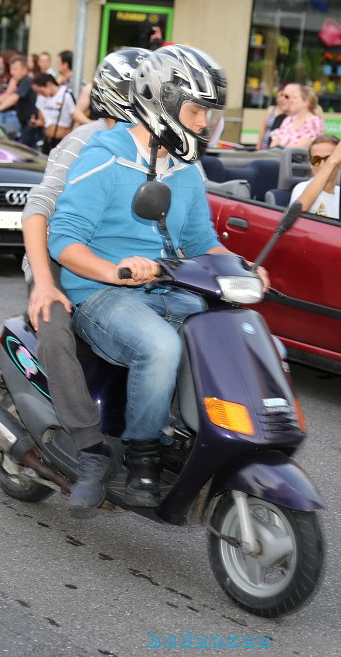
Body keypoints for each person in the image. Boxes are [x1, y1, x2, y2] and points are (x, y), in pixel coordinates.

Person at [48, 45, 266, 507]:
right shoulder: (106, 155)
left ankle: (192, 433)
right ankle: (142, 456)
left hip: (168, 288)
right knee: (161, 346)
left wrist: (242, 269)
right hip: (102, 294)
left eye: (208, 113)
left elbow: (201, 240)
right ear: (160, 101)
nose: (204, 123)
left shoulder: (185, 169)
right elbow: (63, 239)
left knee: (227, 338)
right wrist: (114, 269)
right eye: (196, 110)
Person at [20, 48, 150, 509]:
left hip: (123, 262)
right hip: (60, 259)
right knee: (55, 329)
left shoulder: (161, 145)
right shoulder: (85, 142)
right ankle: (90, 446)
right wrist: (44, 282)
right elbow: (39, 207)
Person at [0, 55, 38, 148]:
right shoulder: (20, 82)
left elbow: (15, 97)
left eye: (15, 69)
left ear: (24, 69)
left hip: (31, 126)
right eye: (11, 69)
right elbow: (10, 98)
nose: (12, 72)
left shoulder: (27, 81)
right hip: (24, 125)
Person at [29, 72, 75, 152]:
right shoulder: (42, 98)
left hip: (63, 141)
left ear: (49, 84)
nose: (40, 94)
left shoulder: (65, 95)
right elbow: (43, 120)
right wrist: (37, 122)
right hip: (47, 140)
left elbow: (75, 116)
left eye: (41, 91)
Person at [270, 83, 323, 150]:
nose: (291, 100)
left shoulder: (314, 122)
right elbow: (274, 143)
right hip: (278, 156)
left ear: (306, 102)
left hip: (295, 159)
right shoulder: (288, 120)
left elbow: (299, 148)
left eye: (295, 97)